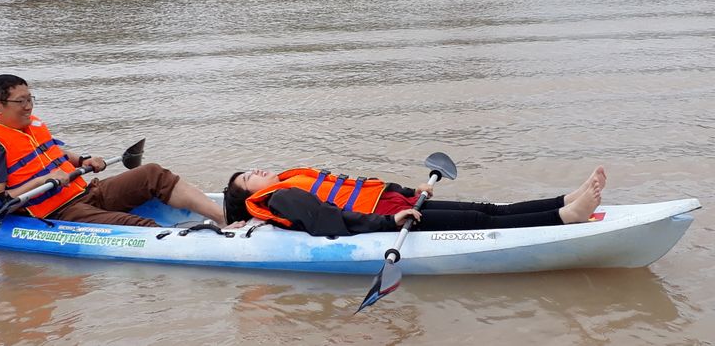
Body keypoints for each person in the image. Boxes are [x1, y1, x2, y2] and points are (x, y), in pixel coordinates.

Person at [0, 74, 226, 227]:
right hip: (58, 213)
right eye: (21, 101)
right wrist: (42, 181)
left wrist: (84, 159)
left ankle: (224, 219)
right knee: (137, 225)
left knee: (153, 173)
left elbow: (55, 154)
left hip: (84, 192)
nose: (29, 107)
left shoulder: (30, 128)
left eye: (30, 99)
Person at [223, 166, 606, 236]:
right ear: (251, 195)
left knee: (487, 210)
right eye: (247, 177)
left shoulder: (291, 178)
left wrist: (410, 192)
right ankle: (564, 218)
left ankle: (564, 200)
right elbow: (331, 220)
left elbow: (358, 185)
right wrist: (392, 223)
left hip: (395, 204)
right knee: (481, 221)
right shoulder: (281, 198)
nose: (255, 170)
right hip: (389, 220)